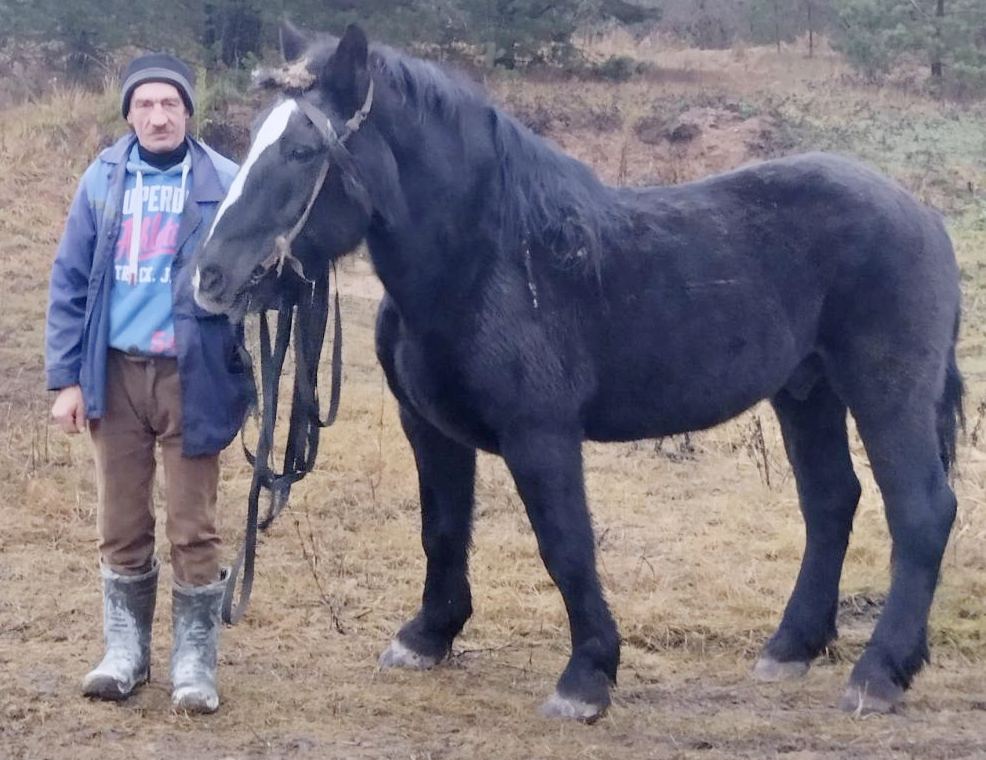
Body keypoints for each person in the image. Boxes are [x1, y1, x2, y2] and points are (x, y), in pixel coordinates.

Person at [45, 53, 253, 714]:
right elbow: (71, 283)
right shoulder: (103, 181)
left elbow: (260, 271)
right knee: (121, 520)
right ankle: (125, 653)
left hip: (194, 377)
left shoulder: (225, 180)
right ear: (129, 113)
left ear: (189, 111)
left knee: (193, 524)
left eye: (170, 104)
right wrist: (67, 380)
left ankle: (194, 661)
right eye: (145, 105)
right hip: (115, 374)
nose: (158, 117)